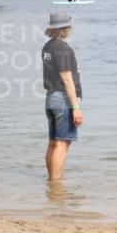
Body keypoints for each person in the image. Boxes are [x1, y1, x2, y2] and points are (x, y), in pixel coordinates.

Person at [42, 12, 83, 181]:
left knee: (53, 142)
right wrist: (76, 107)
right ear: (65, 28)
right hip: (63, 99)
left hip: (51, 98)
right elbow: (66, 79)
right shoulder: (62, 48)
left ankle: (52, 181)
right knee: (62, 143)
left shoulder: (48, 46)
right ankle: (56, 184)